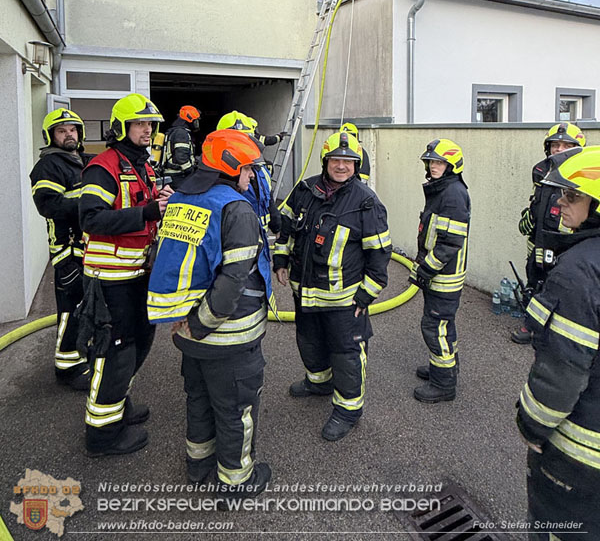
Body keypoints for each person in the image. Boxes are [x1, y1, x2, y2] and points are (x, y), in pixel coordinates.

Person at [147, 129, 273, 493]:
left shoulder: (184, 197)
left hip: (186, 333)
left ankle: (197, 467)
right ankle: (237, 483)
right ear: (231, 167)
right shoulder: (237, 209)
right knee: (236, 411)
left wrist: (184, 325)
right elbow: (233, 280)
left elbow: (166, 259)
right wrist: (201, 324)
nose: (251, 177)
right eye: (248, 170)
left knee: (199, 401)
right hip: (228, 336)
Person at [273, 131, 391, 441]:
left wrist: (368, 292)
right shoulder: (305, 190)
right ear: (326, 161)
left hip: (344, 299)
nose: (341, 166)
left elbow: (379, 253)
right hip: (305, 292)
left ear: (356, 164)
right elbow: (286, 229)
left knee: (346, 353)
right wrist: (281, 260)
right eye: (336, 160)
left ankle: (348, 410)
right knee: (309, 342)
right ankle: (319, 383)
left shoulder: (366, 202)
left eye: (348, 161)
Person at [78, 93, 172, 457]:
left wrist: (158, 198)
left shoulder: (142, 165)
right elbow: (91, 218)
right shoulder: (103, 167)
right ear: (120, 128)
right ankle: (101, 436)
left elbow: (141, 203)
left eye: (150, 124)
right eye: (139, 124)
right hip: (110, 277)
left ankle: (118, 405)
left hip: (138, 273)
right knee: (114, 352)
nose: (147, 130)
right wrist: (148, 212)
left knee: (139, 342)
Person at [516, 145, 600, 540]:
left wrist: (530, 426)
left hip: (580, 462)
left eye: (574, 196)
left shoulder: (580, 272)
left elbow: (560, 375)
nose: (561, 204)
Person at [30, 109, 93, 390]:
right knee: (70, 309)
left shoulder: (80, 161)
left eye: (72, 129)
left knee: (85, 307)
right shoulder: (49, 166)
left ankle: (80, 354)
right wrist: (89, 200)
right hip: (67, 251)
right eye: (61, 131)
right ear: (51, 136)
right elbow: (48, 206)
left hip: (86, 248)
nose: (69, 134)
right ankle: (66, 367)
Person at [512, 122, 586, 345]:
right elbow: (538, 201)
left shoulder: (582, 175)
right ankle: (531, 326)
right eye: (555, 145)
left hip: (565, 245)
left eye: (566, 145)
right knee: (535, 282)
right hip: (538, 241)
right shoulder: (541, 171)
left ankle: (556, 334)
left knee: (561, 289)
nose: (559, 149)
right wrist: (529, 218)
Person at [410, 139, 470, 403]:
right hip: (440, 275)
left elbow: (450, 243)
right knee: (444, 325)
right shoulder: (443, 189)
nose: (434, 166)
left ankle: (444, 384)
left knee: (434, 327)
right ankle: (445, 366)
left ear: (452, 166)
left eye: (439, 162)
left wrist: (426, 269)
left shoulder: (453, 194)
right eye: (431, 162)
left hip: (443, 277)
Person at [216, 111, 281, 236]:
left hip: (260, 239)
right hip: (235, 241)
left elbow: (268, 199)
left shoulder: (261, 168)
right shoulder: (216, 176)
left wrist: (277, 225)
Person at [162, 105, 201, 188]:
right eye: (196, 121)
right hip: (178, 176)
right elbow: (181, 156)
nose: (197, 124)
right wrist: (190, 170)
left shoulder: (176, 131)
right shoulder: (181, 133)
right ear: (190, 119)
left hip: (173, 175)